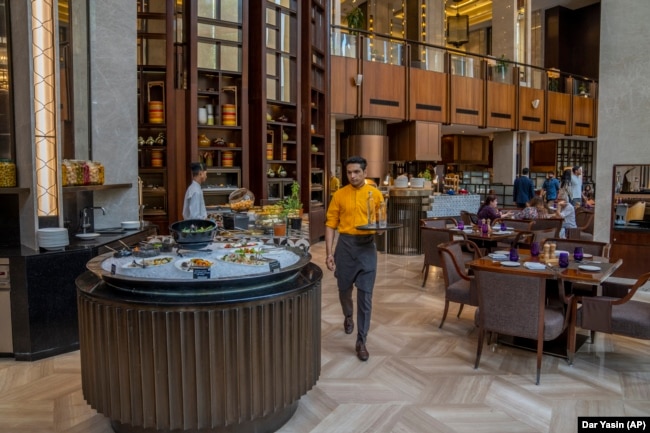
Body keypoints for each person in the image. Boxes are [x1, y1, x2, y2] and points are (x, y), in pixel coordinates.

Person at [325, 156, 384, 362]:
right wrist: (329, 253)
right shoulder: (339, 195)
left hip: (367, 247)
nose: (352, 176)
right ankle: (348, 315)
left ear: (365, 172)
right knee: (344, 291)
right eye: (349, 172)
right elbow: (331, 224)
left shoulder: (375, 195)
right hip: (346, 247)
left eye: (357, 172)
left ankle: (361, 340)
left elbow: (380, 223)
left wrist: (381, 229)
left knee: (365, 295)